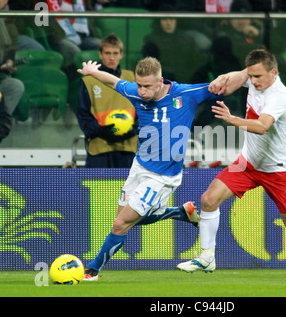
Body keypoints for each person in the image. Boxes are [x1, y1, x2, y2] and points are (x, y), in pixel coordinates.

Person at [177, 49, 286, 285]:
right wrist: (219, 80)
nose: (253, 81)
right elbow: (232, 81)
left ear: (273, 72)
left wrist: (232, 119)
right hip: (248, 163)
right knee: (208, 200)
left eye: (258, 77)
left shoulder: (279, 95)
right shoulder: (252, 78)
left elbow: (262, 126)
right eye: (251, 76)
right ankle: (207, 256)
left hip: (278, 170)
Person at [76, 56, 226, 281]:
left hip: (162, 177)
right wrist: (91, 71)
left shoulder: (185, 94)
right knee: (129, 220)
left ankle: (93, 269)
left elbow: (222, 86)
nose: (142, 91)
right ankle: (181, 212)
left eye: (147, 86)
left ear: (160, 81)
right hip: (139, 167)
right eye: (139, 85)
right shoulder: (135, 91)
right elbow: (112, 82)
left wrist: (246, 76)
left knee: (120, 223)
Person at [75, 34, 138, 168]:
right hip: (99, 148)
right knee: (98, 189)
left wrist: (133, 129)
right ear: (100, 54)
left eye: (115, 53)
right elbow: (83, 116)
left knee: (130, 189)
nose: (111, 57)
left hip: (129, 148)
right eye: (107, 53)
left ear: (121, 54)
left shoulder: (132, 78)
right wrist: (101, 130)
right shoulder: (89, 81)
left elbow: (144, 109)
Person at [141, 4, 205, 83]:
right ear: (159, 21)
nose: (168, 23)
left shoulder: (187, 39)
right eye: (164, 19)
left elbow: (195, 61)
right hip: (162, 81)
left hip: (186, 81)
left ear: (176, 20)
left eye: (171, 19)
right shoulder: (151, 40)